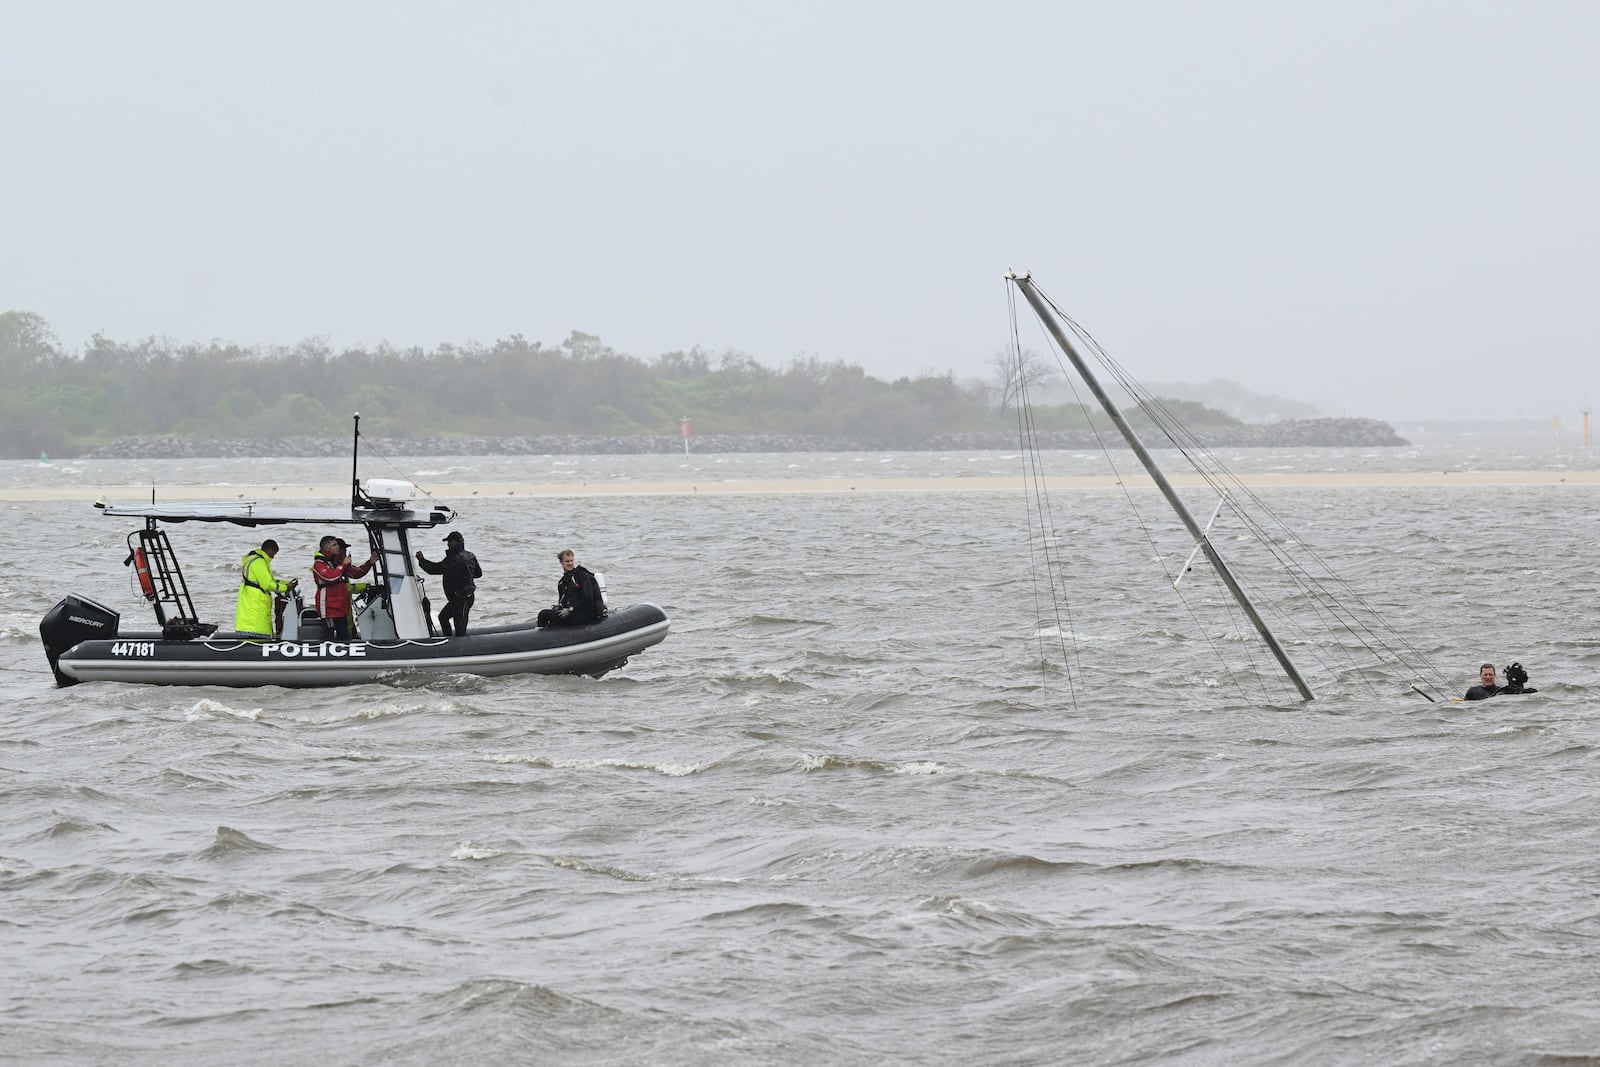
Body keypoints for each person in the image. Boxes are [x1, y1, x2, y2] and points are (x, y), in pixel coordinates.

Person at [414, 530, 482, 636]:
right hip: (462, 597)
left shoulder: (453, 559)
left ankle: (457, 647)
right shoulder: (470, 556)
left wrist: (422, 560)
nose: (448, 544)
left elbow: (434, 569)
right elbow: (478, 573)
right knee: (443, 617)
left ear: (455, 542)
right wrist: (465, 575)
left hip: (462, 598)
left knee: (459, 627)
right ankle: (448, 640)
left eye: (450, 541)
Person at [311, 534, 376, 640]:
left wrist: (370, 563)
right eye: (334, 545)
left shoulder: (338, 563)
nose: (338, 548)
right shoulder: (319, 564)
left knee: (344, 635)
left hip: (341, 607)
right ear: (327, 548)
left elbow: (355, 573)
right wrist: (344, 564)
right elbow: (331, 577)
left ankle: (345, 651)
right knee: (329, 635)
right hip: (328, 608)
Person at [235, 538, 297, 638]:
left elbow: (270, 581)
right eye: (274, 553)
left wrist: (285, 584)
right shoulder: (259, 562)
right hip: (256, 602)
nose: (273, 557)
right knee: (257, 628)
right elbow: (267, 584)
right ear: (270, 550)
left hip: (253, 600)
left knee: (258, 625)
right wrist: (285, 588)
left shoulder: (256, 560)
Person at [537, 548, 605, 626]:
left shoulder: (582, 575)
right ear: (561, 562)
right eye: (567, 561)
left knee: (543, 614)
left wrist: (571, 609)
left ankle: (538, 635)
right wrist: (559, 608)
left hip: (583, 614)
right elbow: (563, 601)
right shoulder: (562, 582)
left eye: (571, 560)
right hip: (572, 613)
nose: (570, 563)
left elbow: (588, 597)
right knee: (550, 617)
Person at [1464, 660, 1538, 700]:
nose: (1488, 677)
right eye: (1485, 675)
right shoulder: (1472, 691)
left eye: (1490, 675)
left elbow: (1532, 692)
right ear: (1481, 676)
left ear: (1495, 675)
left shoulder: (1503, 690)